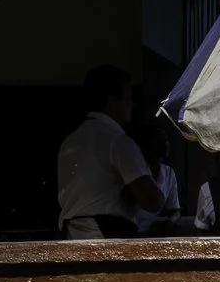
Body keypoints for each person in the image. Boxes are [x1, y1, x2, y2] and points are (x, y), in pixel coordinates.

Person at [55, 64, 162, 239]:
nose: (132, 105)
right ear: (112, 99)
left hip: (72, 235)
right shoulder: (117, 141)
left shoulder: (70, 142)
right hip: (107, 235)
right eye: (128, 98)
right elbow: (152, 201)